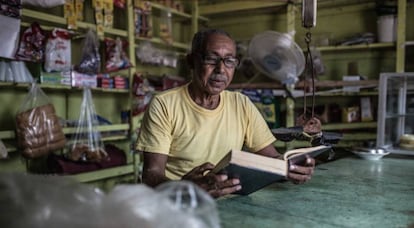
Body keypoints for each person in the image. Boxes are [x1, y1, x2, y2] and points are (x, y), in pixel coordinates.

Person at [135, 28, 315, 198]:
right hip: (179, 205)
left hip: (228, 202)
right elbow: (151, 177)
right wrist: (186, 189)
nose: (221, 70)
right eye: (211, 59)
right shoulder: (164, 104)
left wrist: (289, 168)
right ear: (191, 61)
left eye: (229, 61)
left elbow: (271, 158)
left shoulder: (241, 104)